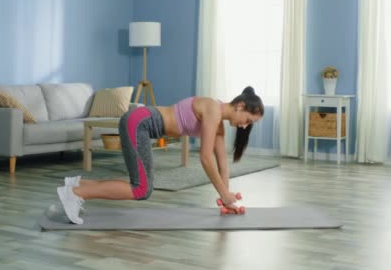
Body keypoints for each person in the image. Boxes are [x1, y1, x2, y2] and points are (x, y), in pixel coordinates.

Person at [56, 86, 264, 224]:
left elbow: (222, 164)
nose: (245, 126)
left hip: (142, 124)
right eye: (248, 120)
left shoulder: (218, 122)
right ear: (240, 106)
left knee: (140, 185)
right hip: (140, 121)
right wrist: (224, 195)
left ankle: (77, 185)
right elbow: (205, 158)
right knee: (141, 189)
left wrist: (226, 199)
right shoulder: (212, 108)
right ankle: (76, 194)